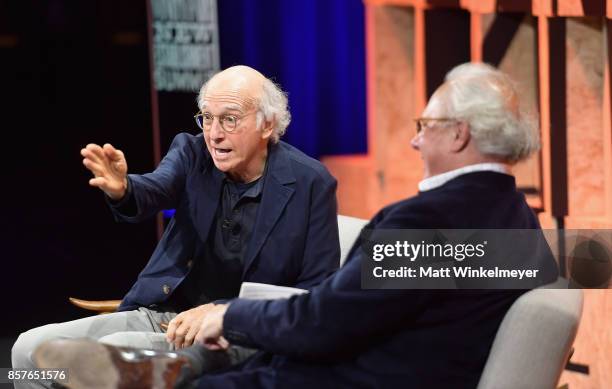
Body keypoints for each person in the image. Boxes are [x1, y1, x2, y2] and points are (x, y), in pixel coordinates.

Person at [34, 63, 558, 389]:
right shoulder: (521, 225)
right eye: (207, 120)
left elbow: (325, 316)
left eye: (424, 127)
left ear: (460, 135)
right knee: (30, 360)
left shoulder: (423, 223)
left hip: (348, 374)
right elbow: (384, 311)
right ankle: (162, 371)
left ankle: (168, 374)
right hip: (397, 364)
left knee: (215, 371)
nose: (416, 142)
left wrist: (230, 316)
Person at [13, 65, 340, 389]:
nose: (214, 133)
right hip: (163, 315)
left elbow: (315, 292)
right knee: (27, 351)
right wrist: (124, 189)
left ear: (267, 124)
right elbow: (156, 188)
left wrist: (223, 311)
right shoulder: (192, 152)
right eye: (207, 117)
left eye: (229, 119)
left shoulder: (310, 183)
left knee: (103, 355)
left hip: (236, 332)